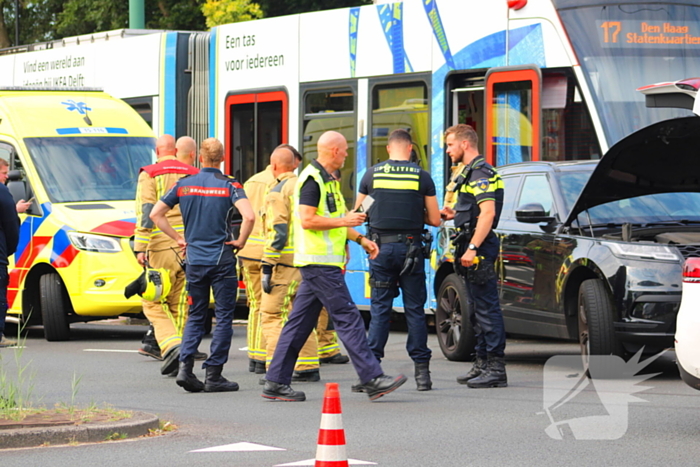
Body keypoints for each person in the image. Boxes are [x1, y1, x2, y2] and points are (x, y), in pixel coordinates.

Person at [262, 131, 406, 402]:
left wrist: (360, 238)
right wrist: (345, 223)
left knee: (299, 324)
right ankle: (372, 377)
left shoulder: (328, 181)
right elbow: (308, 220)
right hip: (319, 263)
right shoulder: (312, 180)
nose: (347, 154)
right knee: (348, 318)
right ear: (334, 151)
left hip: (321, 263)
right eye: (345, 150)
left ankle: (275, 382)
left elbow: (339, 220)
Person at [150, 138, 255, 393]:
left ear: (199, 158)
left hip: (194, 260)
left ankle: (186, 368)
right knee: (224, 317)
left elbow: (155, 214)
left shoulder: (183, 185)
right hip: (222, 260)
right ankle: (214, 375)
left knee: (195, 315)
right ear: (222, 158)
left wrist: (177, 238)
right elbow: (249, 215)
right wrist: (240, 240)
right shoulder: (230, 184)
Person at [354, 129, 441, 391]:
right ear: (411, 148)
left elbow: (359, 214)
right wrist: (417, 213)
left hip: (380, 251)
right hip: (411, 252)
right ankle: (422, 375)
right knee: (415, 310)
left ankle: (371, 373)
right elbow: (435, 219)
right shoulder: (421, 177)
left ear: (389, 149)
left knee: (380, 310)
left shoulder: (372, 174)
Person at [440, 124, 507, 388]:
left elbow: (488, 213)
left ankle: (496, 369)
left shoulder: (481, 172)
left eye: (450, 145)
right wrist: (454, 214)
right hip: (469, 244)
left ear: (465, 144)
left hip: (478, 248)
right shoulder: (468, 173)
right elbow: (473, 212)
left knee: (487, 309)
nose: (448, 151)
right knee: (475, 310)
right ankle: (481, 363)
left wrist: (473, 248)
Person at [133, 135, 200, 375]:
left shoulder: (149, 174)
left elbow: (147, 211)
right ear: (177, 149)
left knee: (151, 300)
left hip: (161, 244)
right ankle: (182, 357)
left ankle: (171, 344)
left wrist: (140, 246)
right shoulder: (193, 172)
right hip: (189, 246)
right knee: (179, 302)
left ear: (157, 150)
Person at [259, 145, 322, 382]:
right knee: (302, 315)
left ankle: (276, 369)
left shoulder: (277, 190)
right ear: (293, 164)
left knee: (272, 315)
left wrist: (267, 264)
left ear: (274, 166)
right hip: (308, 261)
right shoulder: (308, 184)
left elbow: (278, 231)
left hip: (284, 265)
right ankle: (307, 365)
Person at [238, 158, 277, 375]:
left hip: (249, 252)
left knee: (255, 305)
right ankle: (265, 355)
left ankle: (255, 356)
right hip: (269, 253)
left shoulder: (251, 182)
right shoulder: (283, 184)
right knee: (271, 308)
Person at [0, 180, 19, 348]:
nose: (6, 177)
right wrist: (9, 249)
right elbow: (11, 224)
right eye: (4, 173)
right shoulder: (1, 191)